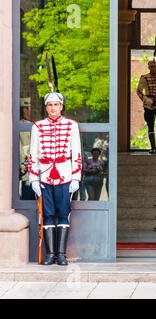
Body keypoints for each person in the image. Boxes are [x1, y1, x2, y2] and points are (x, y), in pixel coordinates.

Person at [29, 92, 82, 265]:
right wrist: (34, 178)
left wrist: (76, 177)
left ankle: (61, 254)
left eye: (56, 105)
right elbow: (33, 154)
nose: (53, 108)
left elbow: (77, 153)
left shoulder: (71, 125)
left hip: (65, 175)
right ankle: (50, 254)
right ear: (46, 107)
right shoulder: (37, 126)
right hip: (44, 175)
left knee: (63, 214)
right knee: (48, 214)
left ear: (61, 106)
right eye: (50, 105)